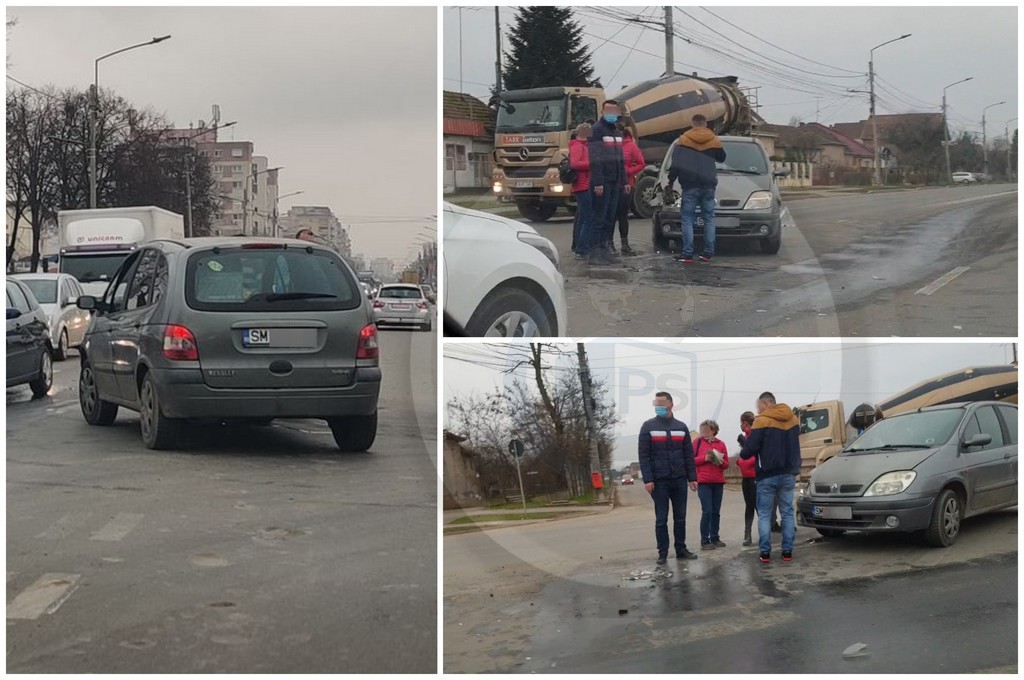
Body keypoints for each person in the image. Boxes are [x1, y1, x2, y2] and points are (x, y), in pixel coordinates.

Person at [739, 391, 802, 564]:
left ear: (766, 403)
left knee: (765, 514)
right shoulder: (792, 419)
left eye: (758, 405)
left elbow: (750, 449)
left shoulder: (762, 420)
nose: (757, 409)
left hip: (767, 475)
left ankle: (765, 553)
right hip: (789, 473)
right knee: (787, 513)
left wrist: (744, 450)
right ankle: (787, 552)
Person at [638, 391, 699, 565]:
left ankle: (681, 549)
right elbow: (644, 456)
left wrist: (692, 477)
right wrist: (648, 479)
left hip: (679, 480)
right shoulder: (647, 427)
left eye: (662, 404)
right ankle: (662, 553)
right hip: (659, 481)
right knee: (661, 519)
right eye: (656, 404)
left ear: (671, 404)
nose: (659, 407)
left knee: (680, 518)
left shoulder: (681, 427)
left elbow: (688, 455)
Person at [666, 114, 726, 264]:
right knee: (709, 219)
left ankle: (687, 254)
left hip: (689, 185)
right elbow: (722, 157)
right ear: (705, 124)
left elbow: (676, 164)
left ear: (692, 124)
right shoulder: (713, 139)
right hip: (708, 184)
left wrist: (671, 181)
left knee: (687, 219)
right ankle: (707, 253)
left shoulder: (683, 140)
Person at [584, 100, 630, 267]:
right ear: (602, 111)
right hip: (602, 182)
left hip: (615, 182)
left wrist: (624, 180)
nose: (612, 113)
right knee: (598, 218)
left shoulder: (618, 132)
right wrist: (598, 182)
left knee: (609, 218)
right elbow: (595, 158)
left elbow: (621, 159)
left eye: (614, 110)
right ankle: (593, 252)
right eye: (608, 110)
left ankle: (604, 250)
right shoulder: (595, 130)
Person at [694, 419, 729, 550]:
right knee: (707, 511)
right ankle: (705, 540)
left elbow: (726, 464)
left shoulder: (721, 444)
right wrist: (705, 458)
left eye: (706, 430)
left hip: (718, 481)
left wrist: (719, 461)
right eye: (702, 430)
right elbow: (690, 460)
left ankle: (715, 537)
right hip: (703, 481)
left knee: (716, 511)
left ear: (713, 431)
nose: (704, 432)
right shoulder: (697, 443)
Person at [613, 121, 645, 256]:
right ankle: (611, 245)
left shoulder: (630, 146)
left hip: (626, 185)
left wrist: (628, 171)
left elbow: (641, 163)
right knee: (613, 216)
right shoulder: (612, 145)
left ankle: (624, 245)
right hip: (613, 184)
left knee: (621, 216)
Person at [568, 122, 592, 258]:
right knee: (586, 217)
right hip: (582, 185)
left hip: (584, 184)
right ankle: (582, 248)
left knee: (582, 217)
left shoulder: (583, 146)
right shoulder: (578, 146)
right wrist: (592, 164)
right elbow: (575, 164)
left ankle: (578, 245)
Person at [736, 411, 757, 546]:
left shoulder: (755, 436)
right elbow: (744, 455)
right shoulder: (744, 438)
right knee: (749, 506)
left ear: (744, 422)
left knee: (759, 506)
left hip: (756, 477)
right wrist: (740, 461)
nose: (740, 426)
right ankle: (747, 534)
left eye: (741, 423)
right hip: (746, 478)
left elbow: (754, 457)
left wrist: (741, 462)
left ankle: (765, 533)